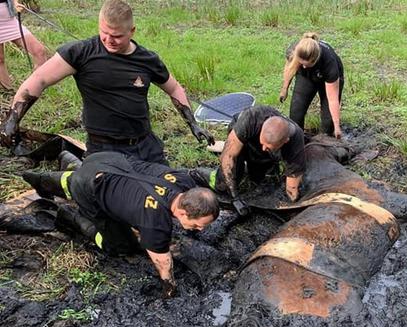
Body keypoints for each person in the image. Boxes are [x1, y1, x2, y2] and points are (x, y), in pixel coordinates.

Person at [0, 0, 213, 162]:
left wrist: (193, 124)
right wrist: (11, 121)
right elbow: (39, 80)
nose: (109, 40)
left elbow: (174, 88)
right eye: (104, 33)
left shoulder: (148, 59)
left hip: (145, 144)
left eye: (117, 36)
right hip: (103, 148)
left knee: (168, 193)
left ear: (132, 31)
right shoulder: (81, 53)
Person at [22, 151, 219, 297]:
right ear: (183, 211)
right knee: (120, 246)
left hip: (108, 159)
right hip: (89, 185)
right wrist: (170, 289)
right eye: (197, 225)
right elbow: (163, 262)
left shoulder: (184, 182)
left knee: (92, 179)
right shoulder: (155, 222)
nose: (200, 230)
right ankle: (70, 216)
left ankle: (63, 167)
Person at [195, 105, 305, 216]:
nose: (263, 148)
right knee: (223, 184)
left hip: (267, 151)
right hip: (242, 138)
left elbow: (292, 186)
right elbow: (227, 157)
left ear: (285, 141)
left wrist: (293, 207)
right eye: (263, 144)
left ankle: (259, 163)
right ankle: (202, 174)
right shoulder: (251, 119)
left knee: (262, 181)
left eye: (267, 147)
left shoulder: (296, 141)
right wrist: (234, 196)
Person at [279, 32, 344, 139]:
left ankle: (324, 141)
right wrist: (284, 88)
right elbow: (289, 68)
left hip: (327, 78)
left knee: (328, 125)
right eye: (301, 63)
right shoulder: (295, 50)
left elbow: (332, 100)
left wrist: (337, 126)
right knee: (296, 114)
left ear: (315, 60)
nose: (303, 67)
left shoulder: (329, 63)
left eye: (306, 64)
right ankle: (298, 141)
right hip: (306, 78)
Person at [0, 0, 48, 90]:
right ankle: (8, 91)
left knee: (39, 51)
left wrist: (15, 3)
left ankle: (34, 88)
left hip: (8, 19)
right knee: (0, 59)